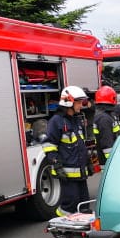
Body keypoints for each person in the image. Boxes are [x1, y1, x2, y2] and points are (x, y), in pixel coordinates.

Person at [43, 86, 93, 216]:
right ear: (69, 102)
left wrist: (88, 162)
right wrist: (57, 165)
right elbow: (49, 146)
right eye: (78, 102)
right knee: (70, 204)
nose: (80, 106)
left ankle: (82, 229)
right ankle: (62, 226)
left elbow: (80, 145)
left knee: (84, 203)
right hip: (67, 174)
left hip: (80, 172)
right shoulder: (56, 122)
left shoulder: (76, 120)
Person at [92, 86, 120, 166]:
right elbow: (107, 144)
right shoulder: (104, 118)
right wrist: (114, 161)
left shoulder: (106, 115)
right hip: (110, 162)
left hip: (109, 160)